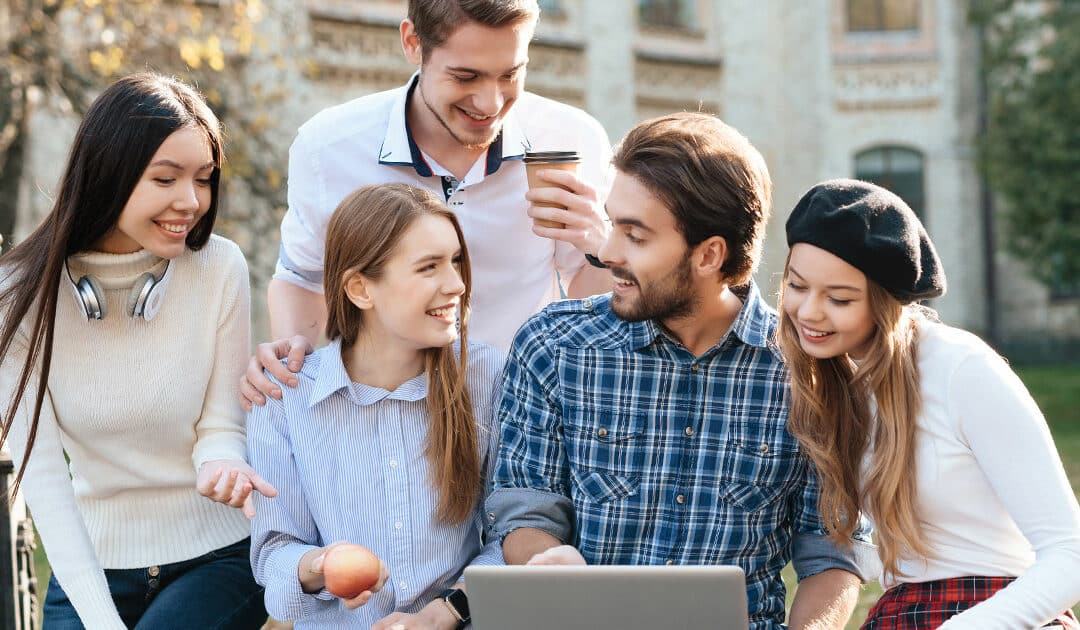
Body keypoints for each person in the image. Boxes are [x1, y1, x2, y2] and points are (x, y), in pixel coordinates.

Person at [487, 112, 877, 630]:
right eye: (612, 224)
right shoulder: (553, 347)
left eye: (636, 236)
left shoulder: (812, 376)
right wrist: (554, 568)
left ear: (709, 255)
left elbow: (831, 557)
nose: (606, 252)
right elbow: (525, 513)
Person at [240, 0, 613, 410]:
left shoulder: (572, 139)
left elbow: (585, 297)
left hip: (521, 423)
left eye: (510, 74)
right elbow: (303, 277)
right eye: (465, 76)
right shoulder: (327, 146)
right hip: (378, 421)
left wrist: (602, 250)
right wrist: (295, 363)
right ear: (413, 43)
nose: (490, 103)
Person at [0, 74, 272, 629]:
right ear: (109, 175)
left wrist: (222, 460)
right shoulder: (16, 297)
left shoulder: (220, 268)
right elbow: (44, 479)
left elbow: (221, 425)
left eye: (204, 179)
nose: (191, 201)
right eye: (165, 178)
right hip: (95, 564)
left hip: (219, 558)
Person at [777, 179, 1080, 629]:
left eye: (839, 298)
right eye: (797, 286)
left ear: (883, 304)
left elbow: (1069, 553)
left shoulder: (962, 369)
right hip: (904, 611)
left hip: (997, 611)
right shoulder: (838, 383)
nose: (808, 312)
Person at [248, 183, 504, 630]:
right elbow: (273, 552)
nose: (456, 284)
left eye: (456, 262)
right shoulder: (286, 394)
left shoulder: (487, 376)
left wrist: (446, 610)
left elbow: (510, 538)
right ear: (361, 289)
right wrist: (322, 564)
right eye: (429, 268)